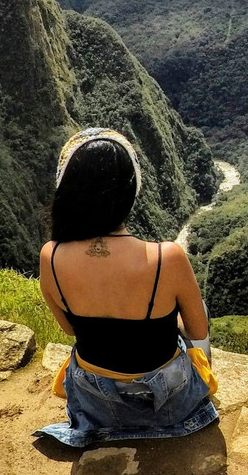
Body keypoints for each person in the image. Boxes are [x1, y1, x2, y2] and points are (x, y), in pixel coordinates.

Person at [34, 128, 218, 448]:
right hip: (168, 404)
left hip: (95, 404)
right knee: (197, 310)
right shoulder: (166, 258)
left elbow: (68, 328)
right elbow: (197, 329)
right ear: (131, 192)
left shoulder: (51, 256)